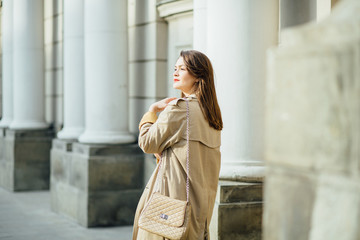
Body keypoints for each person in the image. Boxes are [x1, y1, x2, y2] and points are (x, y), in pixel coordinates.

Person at [132, 50, 223, 240]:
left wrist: (152, 112)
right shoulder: (211, 114)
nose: (175, 73)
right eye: (175, 68)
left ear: (198, 76)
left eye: (182, 69)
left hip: (171, 202)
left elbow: (147, 143)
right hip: (200, 205)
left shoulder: (180, 109)